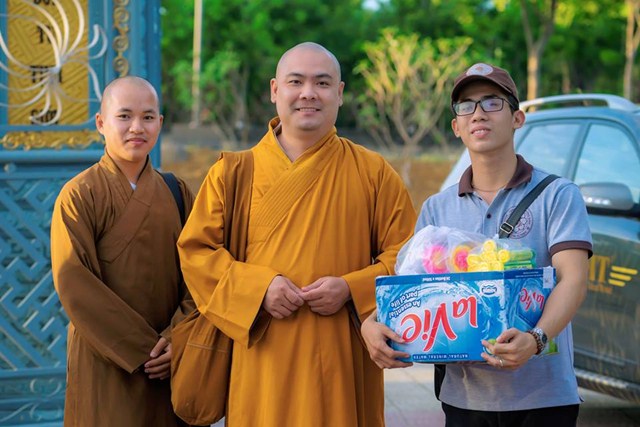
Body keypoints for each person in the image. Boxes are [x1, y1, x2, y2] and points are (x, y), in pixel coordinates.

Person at [176, 42, 416, 427]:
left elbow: (408, 257)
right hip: (262, 361)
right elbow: (196, 252)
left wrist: (351, 288)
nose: (308, 93)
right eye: (295, 82)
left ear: (339, 93)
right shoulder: (233, 173)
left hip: (342, 357)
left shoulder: (374, 172)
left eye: (322, 82)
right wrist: (259, 289)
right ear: (275, 90)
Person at [361, 63, 592, 426]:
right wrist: (371, 323)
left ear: (517, 118)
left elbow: (573, 280)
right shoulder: (437, 208)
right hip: (464, 398)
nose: (479, 113)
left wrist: (535, 338)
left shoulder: (557, 195)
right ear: (456, 126)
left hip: (544, 397)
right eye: (466, 106)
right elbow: (416, 289)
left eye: (492, 102)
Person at [50, 76, 195, 427]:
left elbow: (201, 271)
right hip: (106, 360)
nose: (137, 127)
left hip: (172, 361)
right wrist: (144, 349)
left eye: (148, 117)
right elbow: (73, 282)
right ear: (101, 123)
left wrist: (178, 338)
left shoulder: (177, 191)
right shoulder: (79, 194)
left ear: (160, 123)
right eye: (124, 116)